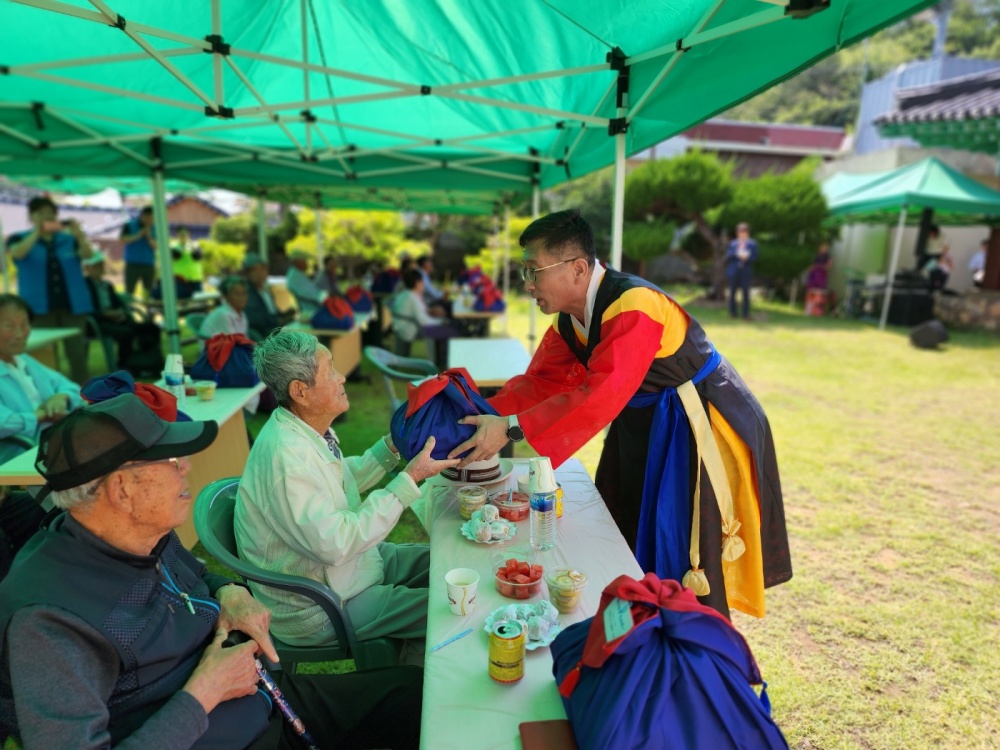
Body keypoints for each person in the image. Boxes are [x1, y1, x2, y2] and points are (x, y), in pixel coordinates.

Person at [0, 393, 423, 749]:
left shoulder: (143, 535)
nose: (185, 466)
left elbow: (197, 580)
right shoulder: (48, 619)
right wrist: (203, 693)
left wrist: (228, 593)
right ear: (122, 490)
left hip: (269, 701)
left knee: (420, 697)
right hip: (227, 728)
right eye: (168, 460)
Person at [450, 210, 791, 620]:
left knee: (683, 541)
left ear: (577, 268)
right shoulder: (569, 321)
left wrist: (509, 429)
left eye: (534, 271)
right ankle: (636, 621)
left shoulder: (635, 304)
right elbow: (538, 384)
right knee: (624, 517)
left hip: (694, 423)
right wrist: (474, 416)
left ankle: (690, 639)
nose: (527, 285)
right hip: (642, 421)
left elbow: (598, 396)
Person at [235, 329, 459, 656]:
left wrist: (393, 446)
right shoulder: (287, 459)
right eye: (330, 372)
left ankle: (411, 661)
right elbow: (336, 544)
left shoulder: (301, 428)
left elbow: (339, 478)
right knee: (451, 604)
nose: (342, 378)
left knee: (450, 560)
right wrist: (410, 478)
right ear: (300, 391)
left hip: (346, 570)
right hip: (319, 604)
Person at [5, 196, 94, 383]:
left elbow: (88, 255)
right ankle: (48, 393)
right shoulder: (20, 238)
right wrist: (37, 231)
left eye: (51, 214)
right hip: (38, 307)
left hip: (73, 305)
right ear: (32, 216)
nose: (47, 218)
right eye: (41, 214)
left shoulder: (68, 239)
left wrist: (79, 234)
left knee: (76, 353)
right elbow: (17, 253)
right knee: (43, 354)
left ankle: (84, 393)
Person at [0, 294, 84, 464]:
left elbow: (70, 387)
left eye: (24, 325)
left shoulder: (23, 360)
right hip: (21, 455)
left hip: (52, 445)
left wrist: (61, 397)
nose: (20, 334)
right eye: (9, 326)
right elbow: (3, 422)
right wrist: (42, 415)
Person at [391, 268, 460, 367]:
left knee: (448, 327)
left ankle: (441, 361)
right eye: (422, 281)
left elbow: (421, 313)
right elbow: (423, 321)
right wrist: (441, 322)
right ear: (417, 283)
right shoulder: (412, 297)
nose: (423, 284)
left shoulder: (407, 294)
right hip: (414, 329)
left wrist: (435, 315)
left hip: (407, 326)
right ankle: (445, 363)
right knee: (452, 331)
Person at [83, 251, 137, 370]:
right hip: (96, 322)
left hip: (112, 319)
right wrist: (105, 314)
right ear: (87, 268)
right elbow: (85, 310)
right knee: (126, 332)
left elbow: (117, 303)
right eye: (96, 266)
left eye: (101, 265)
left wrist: (119, 313)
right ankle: (122, 365)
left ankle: (134, 363)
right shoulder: (84, 285)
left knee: (143, 327)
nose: (100, 268)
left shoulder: (107, 284)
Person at [243, 254, 295, 341]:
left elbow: (273, 311)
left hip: (274, 330)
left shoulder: (265, 291)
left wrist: (285, 314)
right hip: (262, 336)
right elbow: (255, 320)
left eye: (263, 269)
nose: (260, 274)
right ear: (248, 274)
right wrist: (279, 321)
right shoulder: (246, 293)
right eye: (256, 270)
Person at [120, 206, 157, 298]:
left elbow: (156, 246)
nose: (151, 221)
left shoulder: (155, 228)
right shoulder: (129, 225)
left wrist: (148, 236)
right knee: (129, 291)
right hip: (132, 264)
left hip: (148, 264)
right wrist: (139, 234)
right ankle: (129, 310)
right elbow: (122, 240)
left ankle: (149, 311)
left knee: (149, 291)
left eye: (153, 219)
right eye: (149, 218)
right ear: (143, 216)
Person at [200, 275, 250, 341]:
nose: (242, 297)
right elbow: (233, 344)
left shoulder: (241, 313)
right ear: (226, 296)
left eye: (244, 293)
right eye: (237, 294)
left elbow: (244, 340)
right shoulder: (223, 315)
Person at [725, 222, 758, 320]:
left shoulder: (752, 244)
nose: (742, 234)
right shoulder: (733, 243)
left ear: (748, 233)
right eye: (740, 232)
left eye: (744, 232)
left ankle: (745, 314)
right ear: (737, 233)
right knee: (732, 292)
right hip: (734, 271)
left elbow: (755, 257)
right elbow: (728, 256)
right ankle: (733, 313)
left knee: (745, 293)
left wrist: (747, 257)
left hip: (745, 271)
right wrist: (737, 253)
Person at [286, 250, 327, 316]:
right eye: (304, 261)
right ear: (297, 262)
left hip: (314, 311)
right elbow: (315, 295)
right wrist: (329, 298)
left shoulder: (299, 274)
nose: (307, 263)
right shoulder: (295, 277)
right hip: (309, 313)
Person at [171, 226, 205, 292]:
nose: (183, 236)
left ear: (189, 235)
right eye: (181, 235)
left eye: (185, 234)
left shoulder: (195, 245)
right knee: (182, 300)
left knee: (199, 300)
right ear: (177, 235)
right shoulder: (173, 246)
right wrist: (183, 247)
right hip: (180, 280)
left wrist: (191, 247)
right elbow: (176, 256)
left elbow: (198, 256)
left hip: (195, 278)